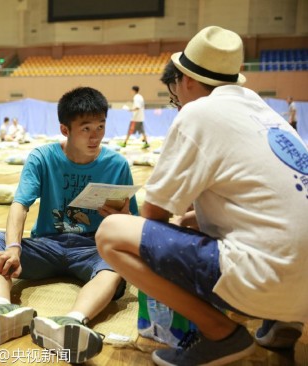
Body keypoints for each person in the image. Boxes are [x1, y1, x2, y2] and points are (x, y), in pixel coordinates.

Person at [96, 26, 307, 366]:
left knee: (112, 234)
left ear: (184, 80)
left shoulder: (199, 112)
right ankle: (283, 319)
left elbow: (153, 215)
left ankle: (220, 333)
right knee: (210, 225)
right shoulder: (268, 113)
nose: (176, 104)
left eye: (173, 96)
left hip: (265, 274)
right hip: (302, 287)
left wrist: (130, 214)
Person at [0, 86, 139, 364]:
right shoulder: (42, 157)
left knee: (116, 262)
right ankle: (1, 310)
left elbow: (132, 226)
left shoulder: (117, 164)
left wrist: (123, 215)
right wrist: (14, 247)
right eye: (86, 128)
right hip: (47, 244)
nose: (95, 136)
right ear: (65, 130)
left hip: (93, 248)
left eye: (100, 127)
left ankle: (73, 321)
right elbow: (20, 204)